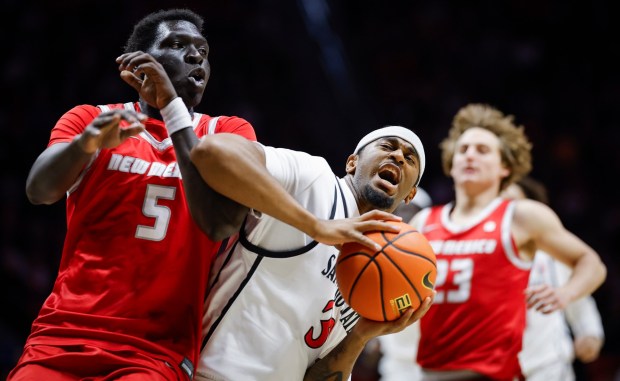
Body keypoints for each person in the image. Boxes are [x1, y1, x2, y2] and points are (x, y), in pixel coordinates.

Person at [8, 9, 256, 381]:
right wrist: (87, 143)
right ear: (141, 61)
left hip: (155, 352)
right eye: (176, 44)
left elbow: (220, 223)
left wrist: (173, 109)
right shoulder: (91, 120)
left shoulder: (228, 133)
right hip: (62, 336)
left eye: (203, 51)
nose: (195, 56)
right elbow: (39, 190)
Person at [189, 126, 434, 380]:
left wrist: (361, 335)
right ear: (352, 163)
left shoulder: (379, 273)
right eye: (387, 146)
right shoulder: (315, 180)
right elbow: (211, 151)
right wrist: (316, 226)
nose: (398, 156)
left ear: (411, 195)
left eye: (409, 158)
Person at [410, 103, 606, 381]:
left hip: (496, 373)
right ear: (450, 164)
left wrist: (566, 294)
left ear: (505, 167)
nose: (469, 156)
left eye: (482, 150)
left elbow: (592, 264)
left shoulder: (521, 216)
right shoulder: (424, 222)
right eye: (463, 149)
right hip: (430, 373)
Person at [502, 177, 604, 381]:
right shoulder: (479, 250)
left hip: (548, 365)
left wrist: (589, 332)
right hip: (495, 365)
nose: (508, 211)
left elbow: (579, 294)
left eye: (514, 204)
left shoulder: (550, 255)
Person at [374, 187, 432, 381]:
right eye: (396, 211)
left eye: (409, 211)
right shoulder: (374, 259)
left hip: (439, 366)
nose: (400, 217)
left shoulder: (436, 253)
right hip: (395, 370)